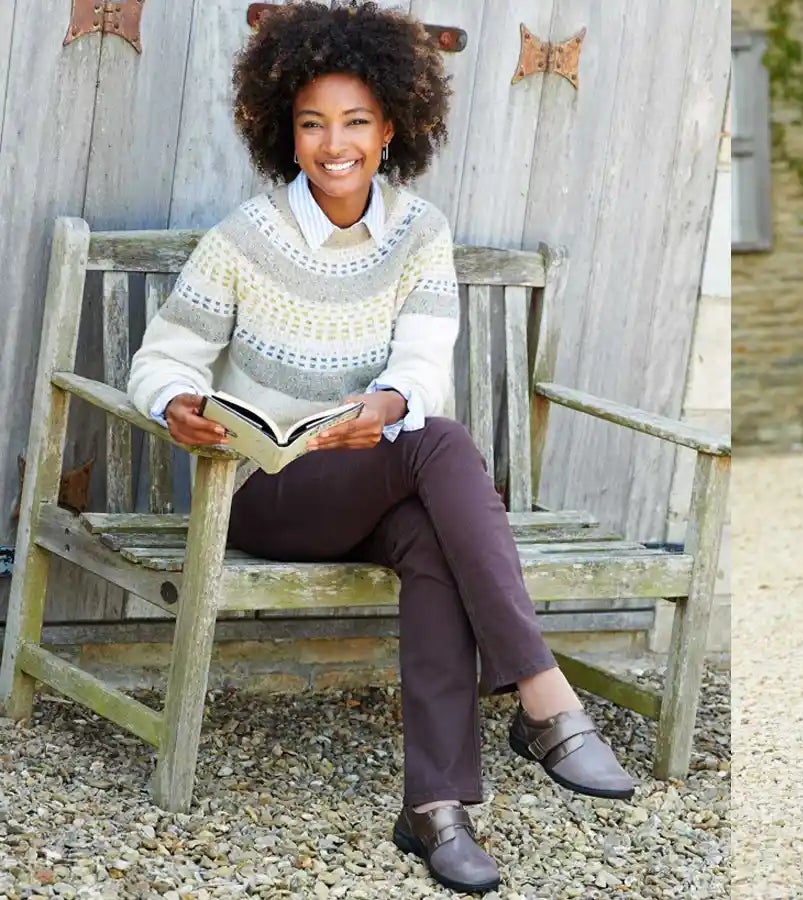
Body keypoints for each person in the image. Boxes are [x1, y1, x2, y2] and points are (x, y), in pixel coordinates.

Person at [123, 2, 636, 893]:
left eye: (356, 122)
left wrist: (388, 401)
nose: (335, 144)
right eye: (314, 123)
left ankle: (434, 812)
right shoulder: (245, 239)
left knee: (432, 530)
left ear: (392, 125)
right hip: (268, 493)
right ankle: (544, 697)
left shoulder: (418, 233)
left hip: (373, 487)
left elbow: (424, 366)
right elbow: (161, 357)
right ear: (285, 128)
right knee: (435, 446)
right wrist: (176, 404)